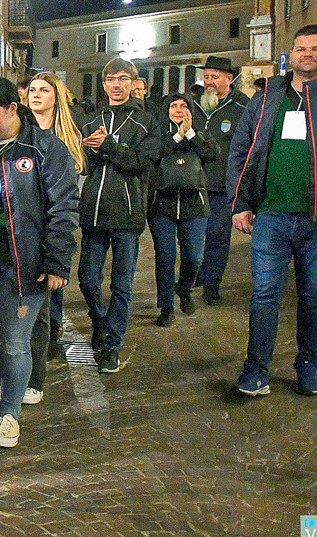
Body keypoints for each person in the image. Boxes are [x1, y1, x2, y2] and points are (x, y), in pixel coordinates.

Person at [0, 77, 79, 448]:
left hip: (27, 261)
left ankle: (9, 415)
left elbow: (63, 208)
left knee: (16, 342)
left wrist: (58, 263)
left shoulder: (45, 149)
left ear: (12, 109)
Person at [228, 24, 317, 398]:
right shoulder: (266, 98)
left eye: (316, 48)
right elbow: (240, 150)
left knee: (314, 296)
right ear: (290, 55)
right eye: (300, 48)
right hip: (271, 216)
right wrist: (241, 202)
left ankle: (308, 364)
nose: (307, 54)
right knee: (264, 296)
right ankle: (256, 370)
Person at [77, 57, 153, 373]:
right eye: (111, 79)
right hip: (94, 209)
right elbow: (86, 165)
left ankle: (112, 344)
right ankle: (101, 321)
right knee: (87, 277)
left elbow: (141, 162)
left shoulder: (146, 122)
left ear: (134, 83)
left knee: (122, 284)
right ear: (104, 84)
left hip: (128, 211)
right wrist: (89, 151)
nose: (116, 84)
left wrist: (107, 145)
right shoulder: (92, 119)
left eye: (123, 78)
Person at [23, 72, 85, 403]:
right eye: (32, 89)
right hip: (19, 231)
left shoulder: (62, 140)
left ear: (56, 97)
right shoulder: (17, 132)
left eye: (44, 90)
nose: (36, 95)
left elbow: (66, 199)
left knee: (41, 308)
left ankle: (35, 375)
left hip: (49, 231)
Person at [144, 94, 219, 327]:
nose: (178, 110)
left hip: (194, 207)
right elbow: (154, 155)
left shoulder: (201, 134)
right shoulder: (158, 135)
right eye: (173, 106)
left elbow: (212, 154)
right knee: (165, 258)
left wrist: (191, 134)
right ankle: (166, 306)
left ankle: (184, 288)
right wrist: (178, 135)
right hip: (162, 206)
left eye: (183, 106)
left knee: (194, 256)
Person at [193, 56, 249, 306]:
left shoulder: (242, 108)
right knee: (193, 237)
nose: (209, 82)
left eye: (215, 77)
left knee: (216, 237)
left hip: (222, 186)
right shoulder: (196, 106)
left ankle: (211, 285)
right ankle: (193, 277)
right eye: (206, 77)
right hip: (193, 184)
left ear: (230, 79)